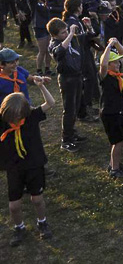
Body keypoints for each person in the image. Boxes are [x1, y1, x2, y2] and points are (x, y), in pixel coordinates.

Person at [0, 79, 55, 247]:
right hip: (14, 168)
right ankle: (19, 227)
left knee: (37, 199)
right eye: (13, 115)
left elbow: (50, 103)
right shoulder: (2, 123)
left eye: (19, 114)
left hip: (33, 165)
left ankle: (42, 222)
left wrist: (41, 86)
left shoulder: (31, 118)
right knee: (14, 205)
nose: (16, 118)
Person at [46, 18, 85, 152]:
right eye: (63, 33)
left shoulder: (70, 39)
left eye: (66, 31)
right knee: (69, 110)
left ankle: (72, 132)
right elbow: (59, 53)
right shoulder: (53, 44)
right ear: (54, 35)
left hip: (77, 75)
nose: (66, 34)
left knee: (76, 106)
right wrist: (69, 35)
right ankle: (66, 140)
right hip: (67, 79)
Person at [98, 38, 123, 178]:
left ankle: (114, 163)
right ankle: (114, 169)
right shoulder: (105, 76)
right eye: (115, 62)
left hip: (118, 111)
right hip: (110, 113)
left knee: (120, 139)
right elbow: (103, 64)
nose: (118, 64)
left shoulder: (116, 72)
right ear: (109, 64)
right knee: (117, 141)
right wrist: (109, 46)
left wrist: (116, 43)